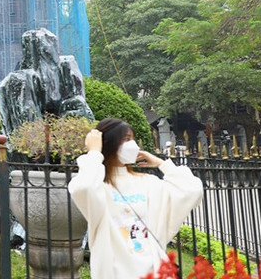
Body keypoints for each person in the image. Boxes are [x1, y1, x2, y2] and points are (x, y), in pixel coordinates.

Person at [68, 118, 203, 279]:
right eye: (126, 139)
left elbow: (192, 189)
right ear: (109, 144)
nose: (133, 145)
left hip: (153, 271)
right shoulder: (98, 187)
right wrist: (95, 152)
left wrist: (162, 163)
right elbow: (84, 187)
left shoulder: (147, 182)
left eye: (132, 139)